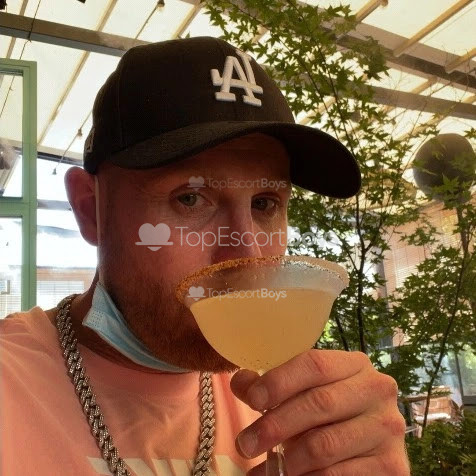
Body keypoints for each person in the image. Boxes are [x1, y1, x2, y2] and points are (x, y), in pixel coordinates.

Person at [0, 37, 409, 475]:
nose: (248, 254)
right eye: (190, 199)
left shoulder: (290, 413)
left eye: (265, 203)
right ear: (90, 210)